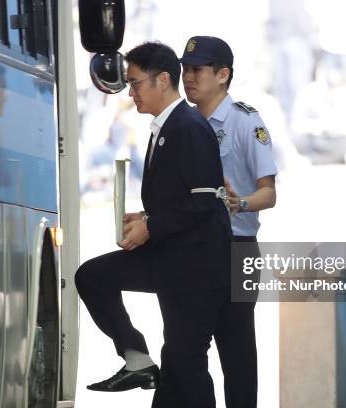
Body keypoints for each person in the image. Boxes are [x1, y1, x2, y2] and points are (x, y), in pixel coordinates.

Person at [75, 41, 232, 408]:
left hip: (197, 267)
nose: (130, 92)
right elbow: (182, 200)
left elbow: (205, 201)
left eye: (135, 83)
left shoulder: (189, 127)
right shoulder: (164, 127)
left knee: (185, 362)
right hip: (171, 258)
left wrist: (152, 226)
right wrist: (146, 219)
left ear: (163, 80)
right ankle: (137, 359)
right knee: (93, 277)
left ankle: (142, 363)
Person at [180, 36, 278, 408]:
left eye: (197, 70)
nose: (188, 77)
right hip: (195, 249)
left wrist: (240, 202)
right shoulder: (183, 123)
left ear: (223, 75)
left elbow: (268, 193)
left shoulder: (245, 122)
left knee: (237, 353)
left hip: (238, 248)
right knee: (186, 349)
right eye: (185, 69)